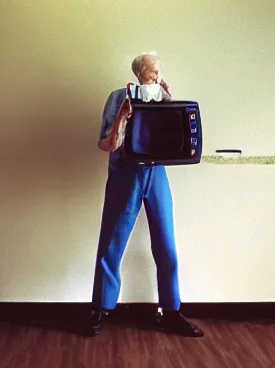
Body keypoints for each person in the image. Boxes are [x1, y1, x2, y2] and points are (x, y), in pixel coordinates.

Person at [84, 53, 204, 338]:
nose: (156, 76)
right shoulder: (117, 97)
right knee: (111, 242)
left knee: (167, 244)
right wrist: (122, 119)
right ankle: (100, 309)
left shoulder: (163, 96)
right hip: (126, 173)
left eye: (158, 72)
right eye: (152, 72)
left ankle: (171, 311)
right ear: (139, 72)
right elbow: (106, 144)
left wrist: (170, 104)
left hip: (157, 173)